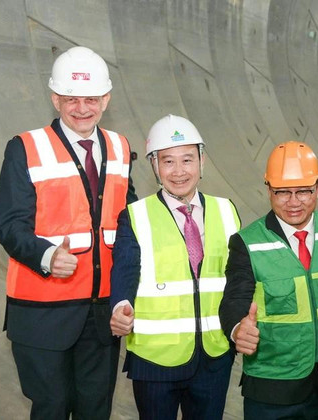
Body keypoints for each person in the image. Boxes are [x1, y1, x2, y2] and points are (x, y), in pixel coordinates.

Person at [0, 46, 136, 419]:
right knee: (52, 408)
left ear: (106, 99)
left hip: (101, 314)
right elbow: (10, 225)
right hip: (42, 313)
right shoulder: (25, 148)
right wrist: (46, 255)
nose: (82, 108)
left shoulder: (120, 147)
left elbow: (131, 221)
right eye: (71, 99)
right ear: (55, 98)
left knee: (96, 410)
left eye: (91, 99)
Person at [108, 115, 241, 418]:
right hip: (155, 361)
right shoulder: (136, 215)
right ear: (155, 166)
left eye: (187, 160)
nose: (179, 171)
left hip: (214, 357)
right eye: (168, 162)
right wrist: (120, 306)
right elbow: (125, 269)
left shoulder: (227, 210)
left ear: (202, 161)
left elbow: (239, 276)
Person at [218, 141, 318, 420]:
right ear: (268, 190)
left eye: (303, 191)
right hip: (270, 389)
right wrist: (237, 329)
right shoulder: (247, 242)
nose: (293, 202)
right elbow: (234, 299)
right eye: (282, 192)